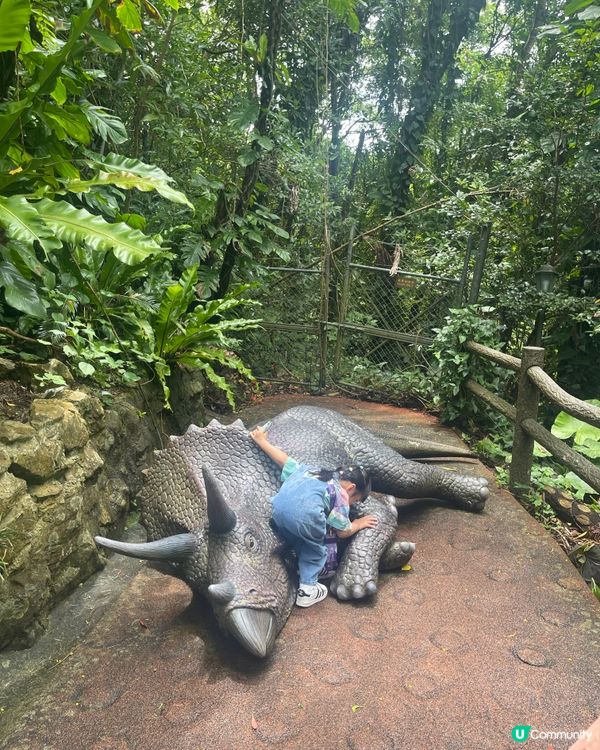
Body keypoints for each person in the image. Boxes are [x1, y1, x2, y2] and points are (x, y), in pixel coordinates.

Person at [250, 426, 378, 608]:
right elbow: (343, 531)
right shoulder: (340, 494)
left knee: (298, 536)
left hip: (278, 511)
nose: (351, 504)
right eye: (354, 500)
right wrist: (358, 523)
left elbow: (283, 461)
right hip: (305, 518)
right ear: (351, 488)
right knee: (316, 549)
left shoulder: (311, 470)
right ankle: (308, 590)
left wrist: (261, 441)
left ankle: (291, 559)